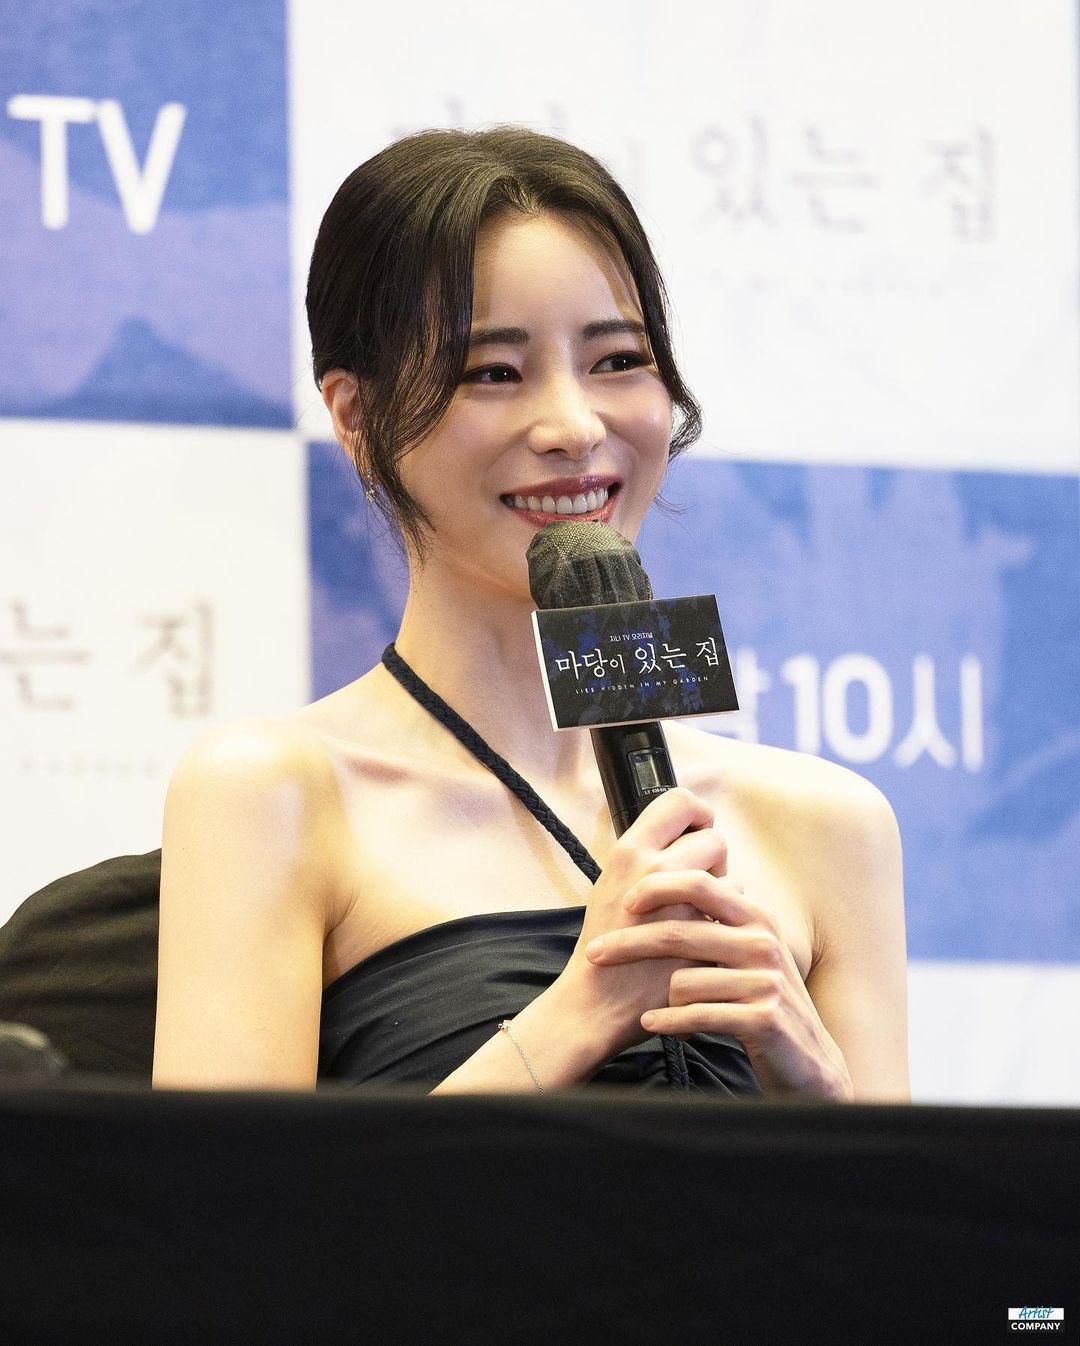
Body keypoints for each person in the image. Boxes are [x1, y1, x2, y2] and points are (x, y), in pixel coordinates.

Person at [152, 128, 909, 1099]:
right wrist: (579, 1011)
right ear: (355, 415)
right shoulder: (273, 794)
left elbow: (905, 1201)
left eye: (618, 359)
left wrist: (820, 1092)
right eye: (493, 373)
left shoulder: (828, 823)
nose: (573, 428)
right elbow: (221, 1196)